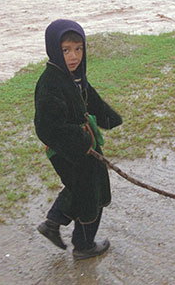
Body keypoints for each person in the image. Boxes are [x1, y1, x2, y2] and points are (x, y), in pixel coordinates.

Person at [34, 19, 122, 260]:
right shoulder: (50, 83)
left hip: (84, 143)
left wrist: (110, 118)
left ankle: (53, 223)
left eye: (78, 49)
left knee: (88, 186)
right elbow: (46, 127)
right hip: (66, 149)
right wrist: (81, 141)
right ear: (53, 49)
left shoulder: (74, 75)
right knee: (87, 191)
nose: (73, 56)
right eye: (66, 50)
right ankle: (83, 245)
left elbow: (90, 100)